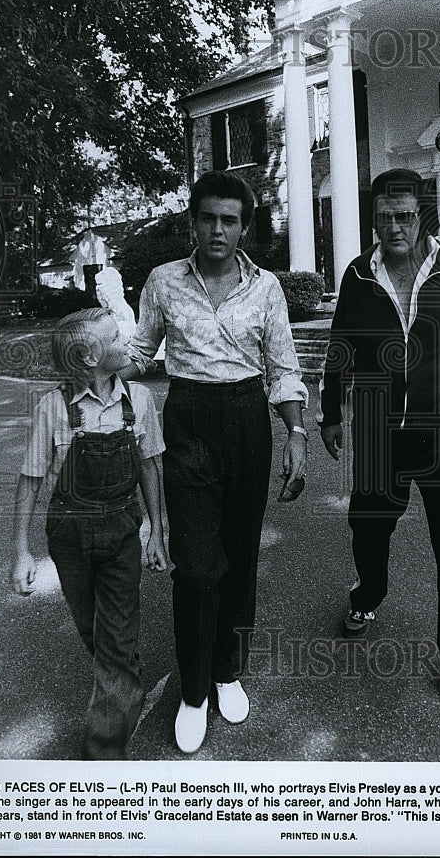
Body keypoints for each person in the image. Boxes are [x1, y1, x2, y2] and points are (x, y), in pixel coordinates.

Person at [319, 168, 440, 724]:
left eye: (404, 216)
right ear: (373, 218)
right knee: (369, 525)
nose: (394, 227)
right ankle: (369, 594)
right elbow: (339, 349)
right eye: (384, 217)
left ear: (423, 214)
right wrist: (332, 414)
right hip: (380, 427)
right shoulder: (359, 275)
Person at [124, 170, 308, 754]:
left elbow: (282, 365)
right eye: (208, 219)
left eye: (230, 220)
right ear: (193, 223)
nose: (218, 230)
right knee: (197, 565)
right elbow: (140, 350)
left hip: (247, 419)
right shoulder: (162, 281)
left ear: (244, 227)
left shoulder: (267, 287)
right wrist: (91, 368)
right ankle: (195, 690)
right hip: (189, 422)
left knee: (239, 556)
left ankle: (227, 669)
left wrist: (295, 433)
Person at [10, 308, 168, 759]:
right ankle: (121, 674)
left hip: (121, 530)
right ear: (88, 359)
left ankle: (102, 754)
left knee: (115, 637)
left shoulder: (138, 401)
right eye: (117, 336)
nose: (128, 340)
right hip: (69, 536)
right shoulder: (53, 407)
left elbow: (149, 466)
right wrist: (21, 551)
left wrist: (158, 531)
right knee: (93, 631)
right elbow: (31, 477)